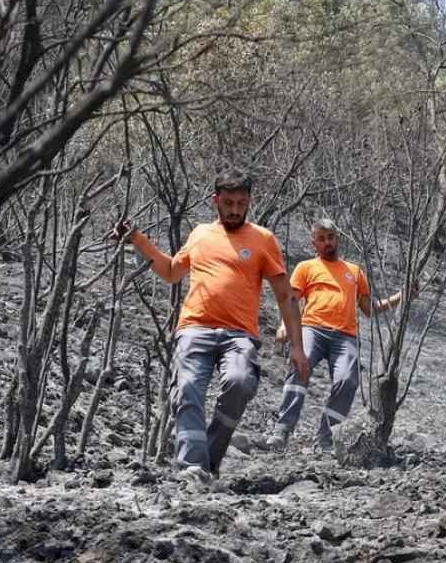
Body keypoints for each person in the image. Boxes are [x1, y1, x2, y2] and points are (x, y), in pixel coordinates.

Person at [113, 171, 308, 484]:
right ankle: (193, 468)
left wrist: (297, 346)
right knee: (188, 388)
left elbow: (285, 295)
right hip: (194, 327)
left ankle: (210, 460)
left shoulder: (263, 239)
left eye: (241, 203)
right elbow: (171, 272)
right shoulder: (200, 234)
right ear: (215, 200)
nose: (234, 209)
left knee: (241, 382)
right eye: (228, 202)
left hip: (240, 333)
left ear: (249, 202)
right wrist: (137, 238)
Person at [261, 218, 412, 453]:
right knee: (300, 367)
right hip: (312, 328)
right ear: (314, 242)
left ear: (337, 238)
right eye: (321, 239)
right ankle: (282, 430)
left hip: (345, 335)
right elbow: (291, 300)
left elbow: (369, 309)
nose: (327, 242)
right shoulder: (306, 267)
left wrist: (400, 296)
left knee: (347, 381)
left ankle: (327, 437)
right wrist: (284, 325)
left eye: (330, 237)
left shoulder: (354, 271)